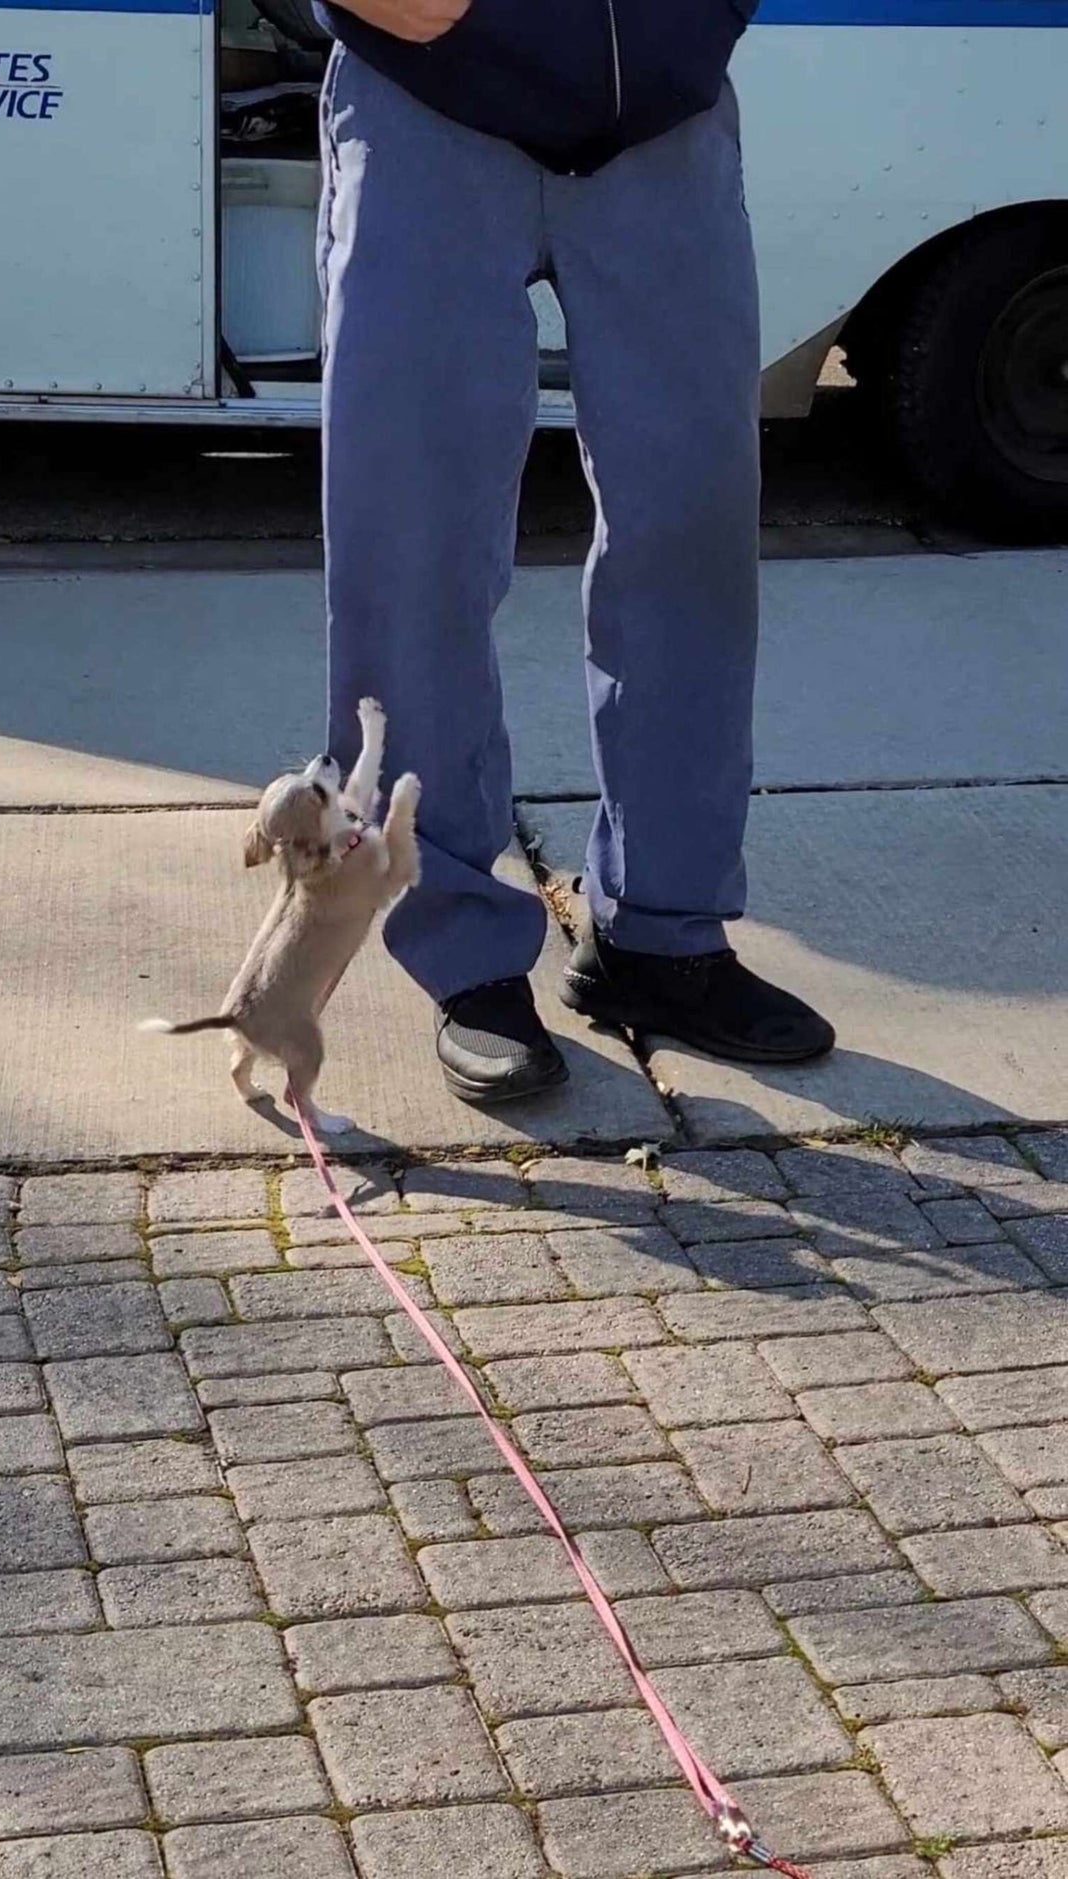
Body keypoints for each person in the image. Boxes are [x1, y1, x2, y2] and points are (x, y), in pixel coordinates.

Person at [315, 0, 836, 1104]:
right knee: (413, 548)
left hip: (660, 123)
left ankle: (661, 933)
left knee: (689, 533)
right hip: (423, 108)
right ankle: (462, 954)